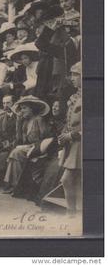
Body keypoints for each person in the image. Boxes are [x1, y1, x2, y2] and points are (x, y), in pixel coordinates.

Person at [3, 96, 51, 196]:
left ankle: (15, 185)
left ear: (32, 109)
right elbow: (20, 139)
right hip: (29, 148)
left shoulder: (39, 120)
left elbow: (46, 137)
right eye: (21, 108)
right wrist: (18, 121)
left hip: (40, 149)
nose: (22, 111)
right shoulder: (25, 121)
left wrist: (33, 147)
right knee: (15, 152)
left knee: (16, 153)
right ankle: (13, 184)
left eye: (24, 108)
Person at [59, 62, 82, 217]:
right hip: (73, 146)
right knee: (68, 180)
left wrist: (72, 135)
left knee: (68, 179)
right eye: (72, 75)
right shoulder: (74, 96)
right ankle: (72, 212)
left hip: (84, 145)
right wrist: (63, 135)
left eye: (76, 75)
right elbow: (69, 122)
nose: (72, 78)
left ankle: (74, 212)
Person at [0, 95, 18, 186]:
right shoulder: (2, 116)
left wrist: (11, 143)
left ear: (13, 103)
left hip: (15, 143)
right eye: (3, 103)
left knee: (4, 155)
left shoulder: (18, 116)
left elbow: (19, 133)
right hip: (3, 143)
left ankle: (6, 182)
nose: (5, 105)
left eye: (8, 103)